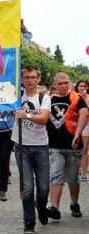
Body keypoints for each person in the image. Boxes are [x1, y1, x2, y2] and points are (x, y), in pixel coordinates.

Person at [11, 65, 51, 233]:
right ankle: (29, 221)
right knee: (26, 186)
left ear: (38, 79)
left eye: (33, 77)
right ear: (22, 79)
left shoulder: (44, 98)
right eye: (26, 77)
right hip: (21, 146)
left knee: (43, 187)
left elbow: (43, 119)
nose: (29, 80)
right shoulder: (15, 96)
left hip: (40, 146)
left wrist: (25, 115)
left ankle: (41, 207)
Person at [46, 72, 88, 221]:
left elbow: (84, 114)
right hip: (54, 146)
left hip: (73, 145)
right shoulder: (48, 100)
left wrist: (77, 134)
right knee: (55, 175)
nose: (64, 86)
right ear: (55, 85)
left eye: (66, 83)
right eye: (60, 84)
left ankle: (74, 203)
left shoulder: (77, 98)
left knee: (72, 177)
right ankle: (54, 208)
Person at [0, 110, 14, 201]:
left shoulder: (8, 98)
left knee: (3, 160)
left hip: (7, 132)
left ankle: (3, 189)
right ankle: (1, 181)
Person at [74, 79, 89, 181]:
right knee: (76, 149)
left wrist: (84, 99)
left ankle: (84, 173)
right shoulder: (73, 97)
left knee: (85, 149)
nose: (83, 88)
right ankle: (75, 171)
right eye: (81, 86)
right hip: (75, 125)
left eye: (85, 86)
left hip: (87, 125)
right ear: (77, 87)